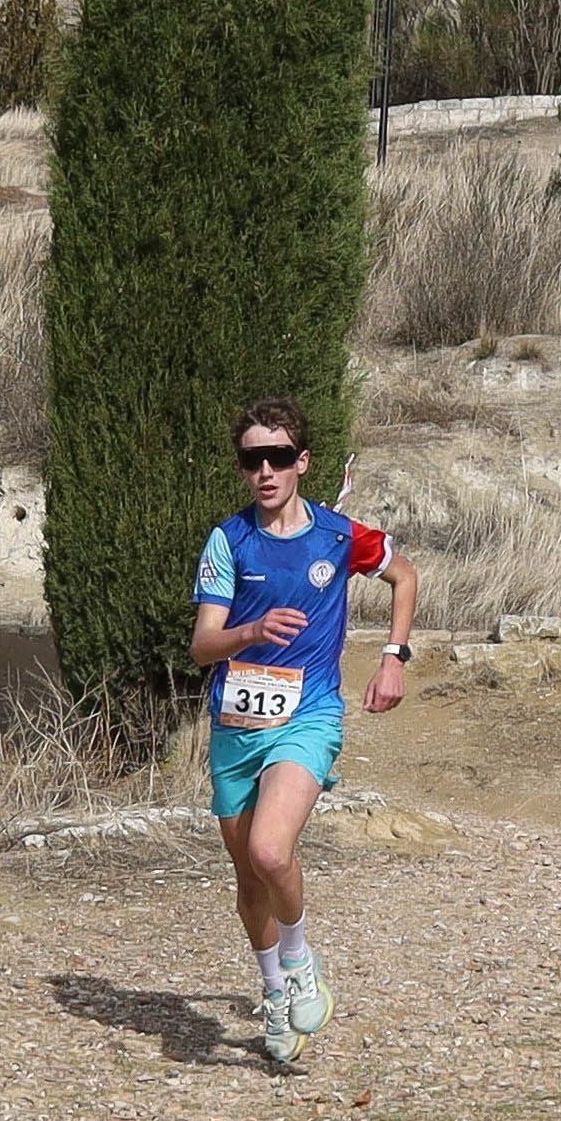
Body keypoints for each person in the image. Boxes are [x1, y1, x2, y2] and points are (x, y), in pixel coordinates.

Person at [191, 395, 418, 1064]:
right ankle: (275, 995)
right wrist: (251, 631)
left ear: (302, 463)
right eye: (252, 459)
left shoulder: (340, 537)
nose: (265, 470)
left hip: (309, 713)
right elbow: (203, 645)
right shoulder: (228, 541)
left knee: (270, 850)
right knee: (248, 877)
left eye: (279, 457)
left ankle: (299, 961)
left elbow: (403, 578)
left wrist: (392, 659)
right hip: (236, 722)